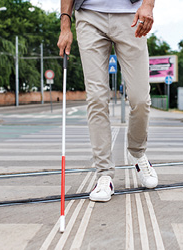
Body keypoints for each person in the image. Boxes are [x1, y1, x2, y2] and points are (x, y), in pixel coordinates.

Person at [58, 0, 158, 202]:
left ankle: (137, 154)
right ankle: (104, 174)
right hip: (89, 15)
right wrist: (65, 25)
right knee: (96, 98)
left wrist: (148, 5)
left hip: (131, 15)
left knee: (140, 99)